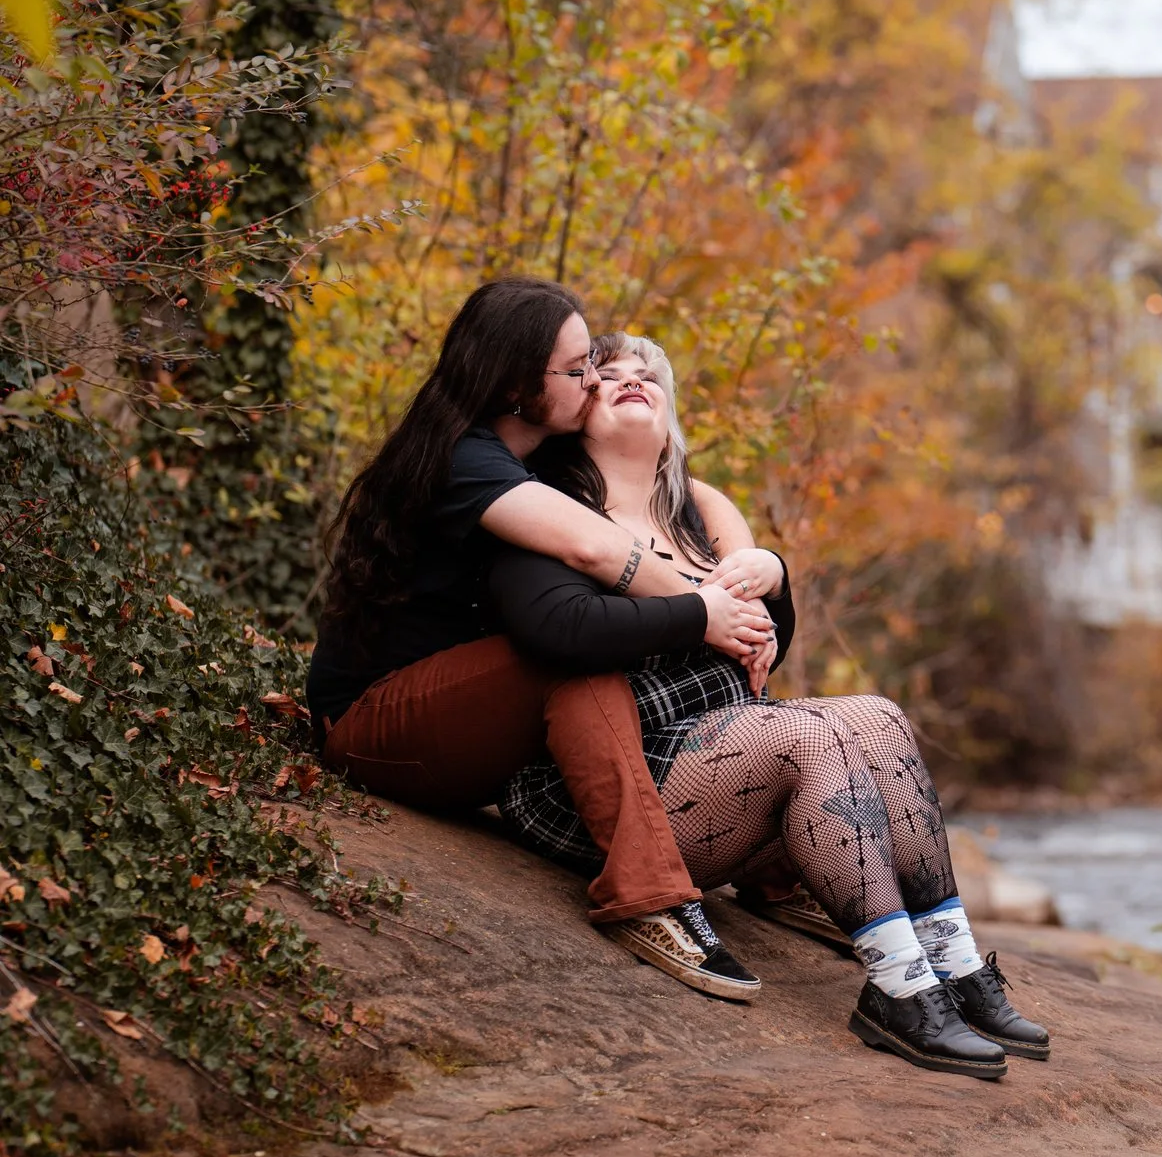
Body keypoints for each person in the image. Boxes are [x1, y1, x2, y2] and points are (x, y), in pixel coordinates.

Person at [489, 333, 1050, 1081]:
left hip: (717, 750)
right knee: (805, 738)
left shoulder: (695, 508)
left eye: (647, 374)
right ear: (576, 407)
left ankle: (949, 960)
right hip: (619, 770)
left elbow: (760, 644)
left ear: (670, 411)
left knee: (877, 716)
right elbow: (559, 632)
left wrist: (774, 577)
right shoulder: (554, 508)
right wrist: (701, 608)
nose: (631, 380)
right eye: (608, 374)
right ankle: (900, 989)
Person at [308, 279, 775, 1000]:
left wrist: (759, 579)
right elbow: (595, 552)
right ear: (519, 384)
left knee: (599, 649)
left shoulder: (535, 462)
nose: (594, 379)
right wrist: (706, 610)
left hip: (467, 729)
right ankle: (648, 899)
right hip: (375, 722)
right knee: (570, 657)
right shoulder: (466, 459)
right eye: (578, 367)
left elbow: (663, 511)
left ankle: (777, 866)